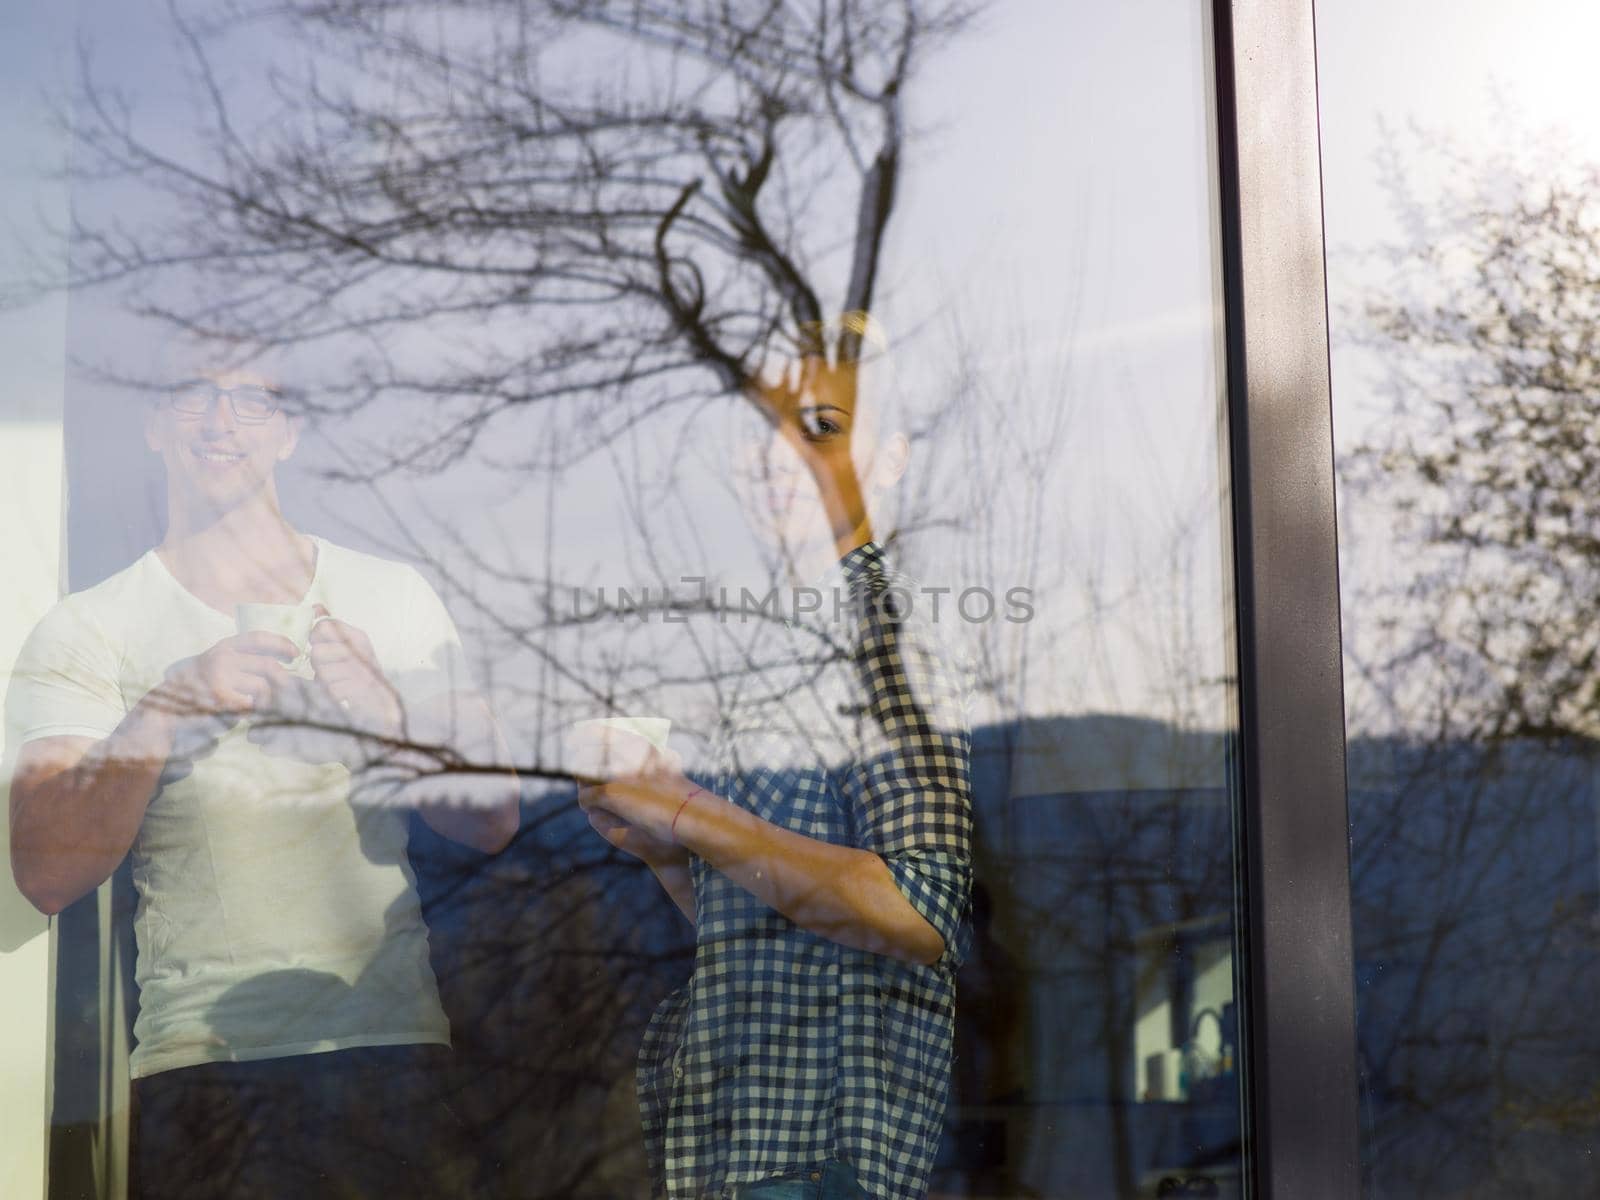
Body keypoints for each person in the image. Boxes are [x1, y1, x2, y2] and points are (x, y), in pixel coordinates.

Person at [4, 362, 520, 1199]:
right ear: (155, 424)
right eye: (192, 393)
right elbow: (46, 871)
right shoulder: (89, 625)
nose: (220, 420)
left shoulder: (392, 596)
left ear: (290, 432)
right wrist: (164, 712)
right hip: (202, 1065)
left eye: (253, 399)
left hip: (389, 1048)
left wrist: (388, 717)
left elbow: (493, 816)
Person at [578, 315, 974, 1200]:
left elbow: (917, 913)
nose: (777, 454)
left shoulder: (886, 630)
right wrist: (666, 851)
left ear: (895, 459)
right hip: (741, 1147)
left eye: (822, 428)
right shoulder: (776, 637)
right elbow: (771, 939)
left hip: (824, 1163)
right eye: (760, 429)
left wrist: (684, 809)